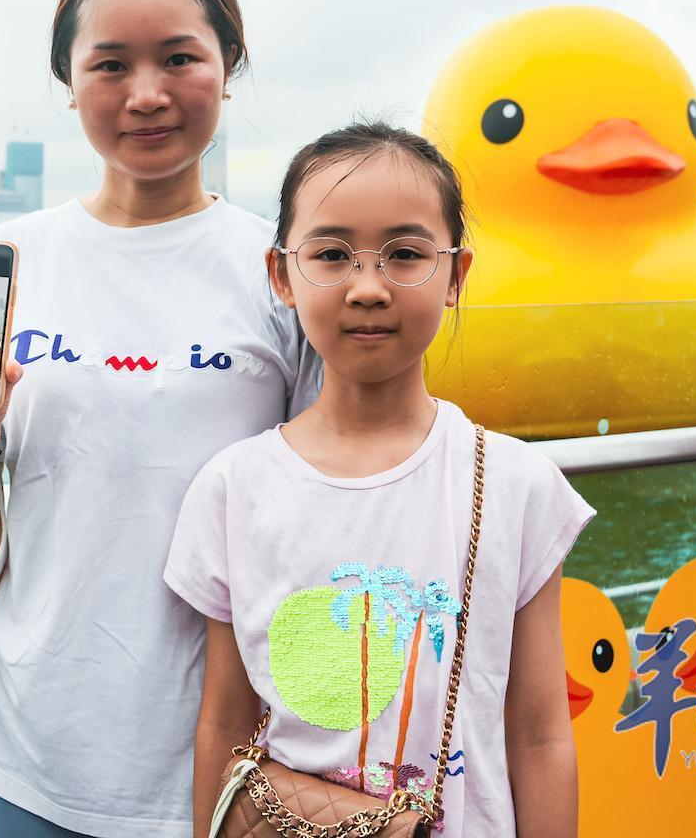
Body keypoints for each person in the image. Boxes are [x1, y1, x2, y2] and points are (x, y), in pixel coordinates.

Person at [0, 0, 316, 836]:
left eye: (180, 59)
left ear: (227, 66)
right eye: (112, 65)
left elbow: (334, 499)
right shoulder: (3, 261)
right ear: (70, 82)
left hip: (229, 753)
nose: (147, 94)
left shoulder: (283, 271)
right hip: (30, 745)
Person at [167, 122, 593, 837]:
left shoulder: (517, 483)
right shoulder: (233, 488)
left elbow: (540, 734)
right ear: (282, 275)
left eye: (405, 254)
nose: (368, 287)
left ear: (456, 275)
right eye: (332, 255)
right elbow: (225, 723)